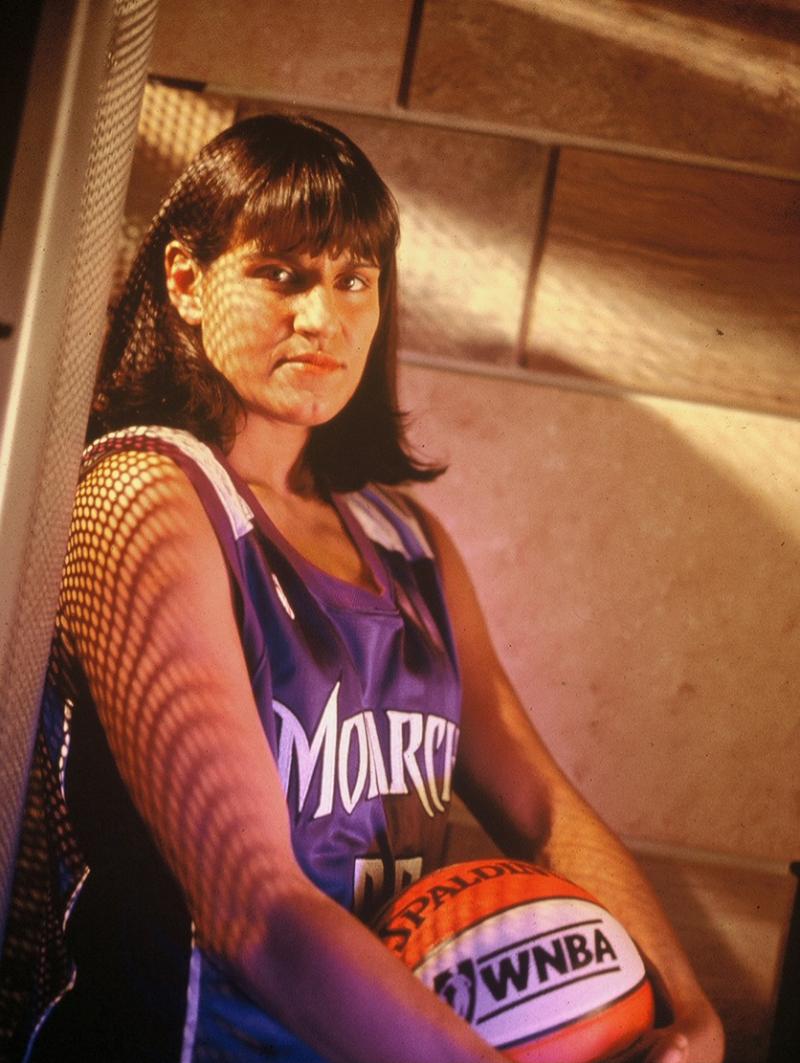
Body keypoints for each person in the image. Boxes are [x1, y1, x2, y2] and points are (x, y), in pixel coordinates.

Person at [0, 113, 724, 1063]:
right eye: (283, 274)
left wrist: (691, 1013)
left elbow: (543, 809)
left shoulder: (405, 537)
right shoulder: (141, 498)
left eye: (353, 279)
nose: (322, 317)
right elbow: (253, 907)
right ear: (186, 281)